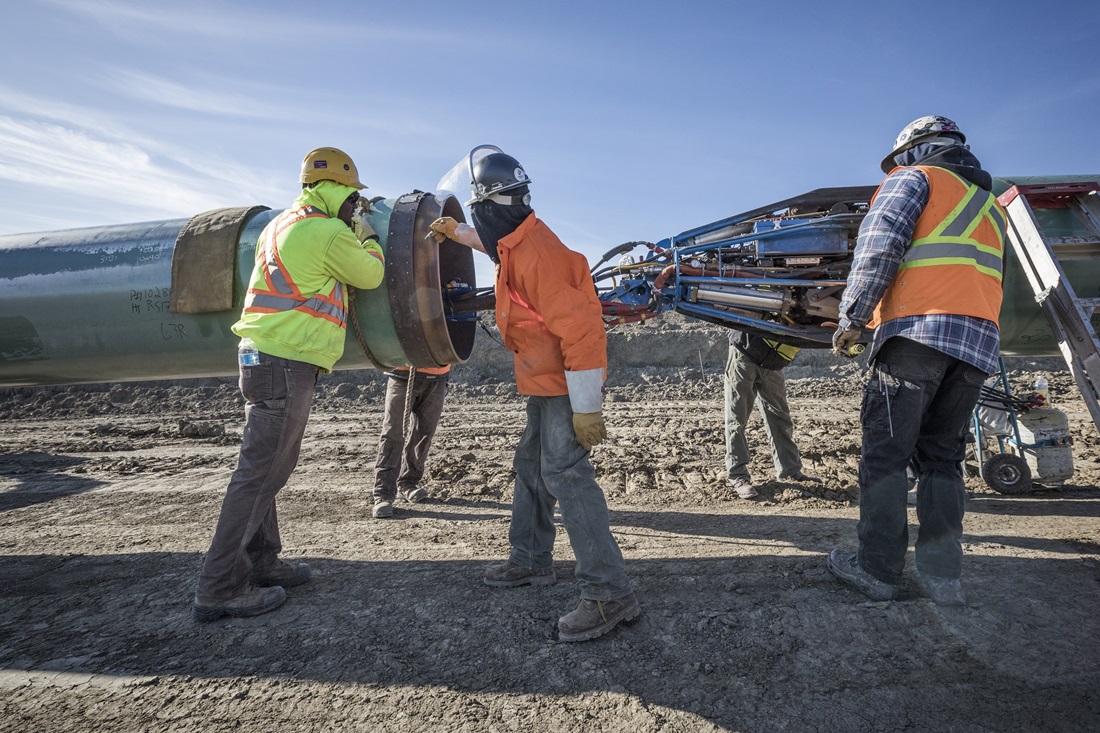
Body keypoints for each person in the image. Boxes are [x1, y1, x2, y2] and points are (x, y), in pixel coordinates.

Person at [428, 145, 638, 642]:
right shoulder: (515, 239)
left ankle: (610, 593)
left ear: (487, 202)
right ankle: (530, 559)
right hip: (544, 382)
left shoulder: (540, 255)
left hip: (568, 384)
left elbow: (584, 332)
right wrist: (454, 233)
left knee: (566, 475)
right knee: (532, 465)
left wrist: (587, 407)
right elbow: (495, 244)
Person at [192, 147, 386, 621]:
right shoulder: (328, 231)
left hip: (264, 359)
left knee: (265, 466)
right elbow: (372, 273)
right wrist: (367, 235)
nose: (355, 207)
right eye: (353, 199)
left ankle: (261, 562)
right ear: (338, 191)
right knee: (260, 473)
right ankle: (219, 586)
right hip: (285, 363)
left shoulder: (279, 225)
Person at [827, 116, 1005, 606]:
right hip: (975, 344)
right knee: (943, 458)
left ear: (914, 150)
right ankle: (942, 578)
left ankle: (878, 572)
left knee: (886, 454)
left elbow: (879, 249)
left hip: (917, 332)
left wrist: (853, 319)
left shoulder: (913, 179)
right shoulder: (989, 205)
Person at [724, 329, 817, 499]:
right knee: (737, 418)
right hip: (745, 351)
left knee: (780, 417)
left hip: (773, 360)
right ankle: (738, 476)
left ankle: (790, 472)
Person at [371, 364, 451, 518]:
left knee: (424, 434)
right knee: (393, 433)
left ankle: (407, 483)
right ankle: (383, 494)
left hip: (437, 377)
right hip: (402, 374)